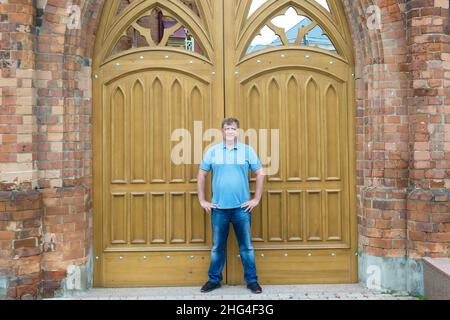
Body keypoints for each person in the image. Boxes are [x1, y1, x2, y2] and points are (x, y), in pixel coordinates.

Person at [197, 118, 265, 294]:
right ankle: (214, 280)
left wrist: (256, 199)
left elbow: (260, 173)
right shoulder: (212, 151)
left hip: (242, 208)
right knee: (217, 247)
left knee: (246, 246)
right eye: (227, 128)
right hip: (218, 208)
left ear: (238, 132)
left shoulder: (247, 151)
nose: (229, 131)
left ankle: (252, 281)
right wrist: (202, 200)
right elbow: (202, 175)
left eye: (233, 129)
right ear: (222, 131)